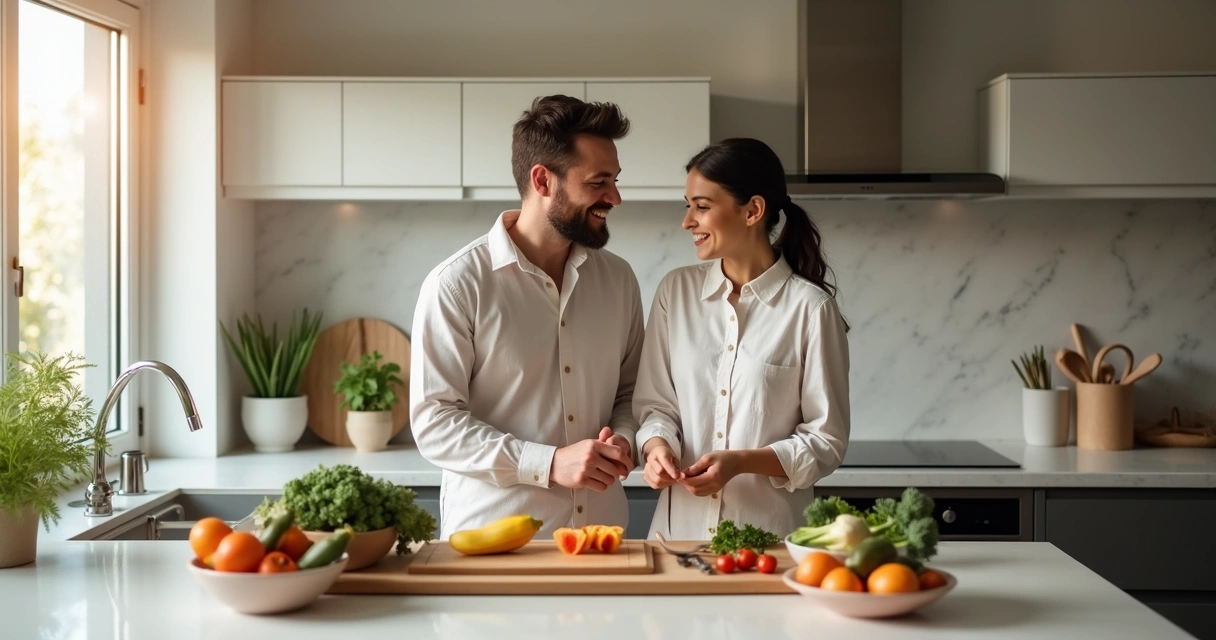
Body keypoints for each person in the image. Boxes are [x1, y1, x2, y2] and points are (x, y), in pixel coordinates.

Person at [410, 95, 644, 539]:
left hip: (602, 537)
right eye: (598, 182)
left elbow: (631, 392)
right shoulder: (457, 284)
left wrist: (624, 438)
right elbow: (434, 423)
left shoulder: (618, 280)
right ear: (542, 180)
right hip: (496, 545)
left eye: (615, 181)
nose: (614, 197)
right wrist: (549, 464)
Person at [632, 137, 851, 540]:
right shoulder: (675, 293)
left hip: (768, 545)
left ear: (752, 211)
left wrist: (741, 462)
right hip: (678, 539)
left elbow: (826, 441)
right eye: (688, 205)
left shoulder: (811, 308)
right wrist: (657, 447)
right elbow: (656, 406)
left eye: (702, 207)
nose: (687, 222)